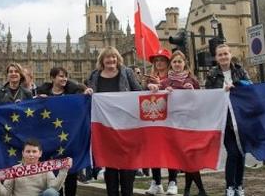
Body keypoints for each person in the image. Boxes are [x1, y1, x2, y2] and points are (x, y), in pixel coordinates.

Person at [84, 47, 143, 196]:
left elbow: (139, 91)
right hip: (105, 127)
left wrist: (151, 87)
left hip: (126, 126)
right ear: (102, 60)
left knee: (127, 165)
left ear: (118, 59)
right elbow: (90, 95)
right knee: (110, 166)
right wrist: (88, 92)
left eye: (114, 58)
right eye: (108, 58)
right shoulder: (95, 75)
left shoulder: (126, 72)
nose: (111, 61)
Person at [205, 44, 251, 196]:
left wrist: (237, 87)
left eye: (226, 54)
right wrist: (221, 91)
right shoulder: (211, 74)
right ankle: (230, 186)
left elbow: (250, 88)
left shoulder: (240, 70)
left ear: (230, 55)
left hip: (241, 119)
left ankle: (239, 185)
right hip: (225, 120)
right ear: (217, 58)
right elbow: (208, 96)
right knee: (232, 152)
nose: (223, 57)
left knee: (241, 153)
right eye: (220, 55)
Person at [161, 51, 207, 196]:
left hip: (190, 123)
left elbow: (201, 100)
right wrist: (163, 92)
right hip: (174, 125)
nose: (177, 64)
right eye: (174, 62)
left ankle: (193, 190)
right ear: (171, 64)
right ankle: (198, 190)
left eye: (179, 62)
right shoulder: (165, 82)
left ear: (184, 63)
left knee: (190, 157)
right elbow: (157, 102)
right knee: (184, 157)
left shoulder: (192, 80)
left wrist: (193, 91)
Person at [36, 67, 84, 196]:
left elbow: (82, 102)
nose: (64, 79)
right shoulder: (43, 94)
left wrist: (87, 92)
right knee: (53, 174)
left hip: (69, 138)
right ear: (52, 78)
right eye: (61, 76)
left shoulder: (72, 92)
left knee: (70, 172)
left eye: (65, 76)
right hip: (51, 140)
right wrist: (36, 100)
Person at [143, 49, 178, 196]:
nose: (159, 63)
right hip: (154, 120)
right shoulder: (150, 79)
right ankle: (156, 182)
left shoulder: (174, 78)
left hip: (170, 120)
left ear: (167, 62)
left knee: (171, 150)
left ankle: (172, 182)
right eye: (156, 60)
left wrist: (162, 86)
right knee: (154, 150)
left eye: (162, 60)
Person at [0, 138, 69, 196]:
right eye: (28, 151)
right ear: (23, 153)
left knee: (51, 192)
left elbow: (54, 188)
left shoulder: (46, 169)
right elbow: (5, 194)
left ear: (40, 154)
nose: (31, 154)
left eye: (34, 151)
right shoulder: (14, 169)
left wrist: (64, 170)